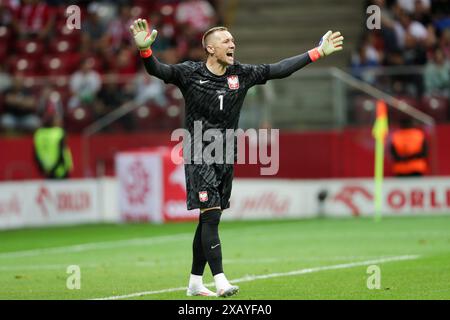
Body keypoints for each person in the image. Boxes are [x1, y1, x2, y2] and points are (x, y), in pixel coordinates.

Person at [129, 18, 344, 297]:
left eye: (233, 40)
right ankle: (220, 280)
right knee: (212, 218)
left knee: (208, 218)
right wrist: (146, 51)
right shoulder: (189, 73)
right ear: (210, 48)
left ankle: (195, 282)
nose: (233, 43)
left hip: (225, 155)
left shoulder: (241, 74)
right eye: (226, 40)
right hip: (198, 152)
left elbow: (278, 69)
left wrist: (317, 52)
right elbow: (158, 70)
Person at [33, 107, 73, 179]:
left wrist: (43, 168)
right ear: (52, 121)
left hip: (46, 170)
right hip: (61, 170)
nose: (60, 121)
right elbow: (61, 154)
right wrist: (54, 169)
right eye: (57, 119)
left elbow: (36, 154)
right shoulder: (59, 132)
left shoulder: (38, 134)